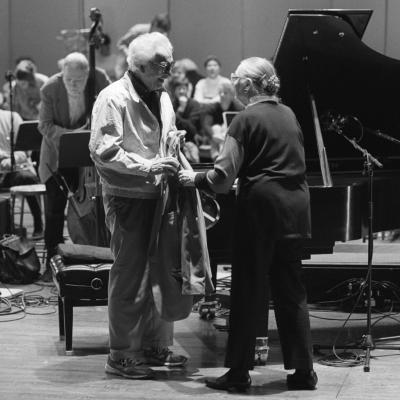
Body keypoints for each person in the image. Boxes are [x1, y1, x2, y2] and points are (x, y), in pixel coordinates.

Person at [179, 57, 317, 392]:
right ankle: (303, 372)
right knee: (290, 289)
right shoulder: (289, 114)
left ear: (247, 84)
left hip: (261, 212)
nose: (231, 80)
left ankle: (239, 374)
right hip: (296, 210)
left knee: (247, 291)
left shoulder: (244, 119)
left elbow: (222, 178)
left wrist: (192, 177)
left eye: (235, 76)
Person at [89, 32, 188, 379]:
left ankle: (155, 345)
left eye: (170, 63)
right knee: (130, 275)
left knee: (160, 272)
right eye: (163, 66)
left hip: (157, 195)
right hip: (127, 196)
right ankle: (121, 354)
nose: (170, 70)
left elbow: (162, 136)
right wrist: (147, 165)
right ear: (140, 66)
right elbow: (104, 151)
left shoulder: (161, 94)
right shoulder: (112, 97)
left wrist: (172, 142)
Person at [38, 52, 111, 281]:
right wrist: (73, 137)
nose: (72, 85)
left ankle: (97, 256)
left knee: (97, 205)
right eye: (68, 80)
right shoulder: (50, 88)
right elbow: (44, 126)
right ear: (62, 74)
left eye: (78, 81)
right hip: (56, 157)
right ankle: (51, 264)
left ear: (87, 75)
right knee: (54, 212)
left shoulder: (100, 79)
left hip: (88, 158)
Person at [0, 104, 43, 239]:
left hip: (14, 171)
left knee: (27, 178)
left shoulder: (12, 117)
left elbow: (25, 149)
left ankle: (38, 225)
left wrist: (12, 159)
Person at [115, 13, 171, 79]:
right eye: (160, 32)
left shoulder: (161, 36)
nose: (161, 35)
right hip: (125, 67)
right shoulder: (138, 30)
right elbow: (121, 43)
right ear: (155, 24)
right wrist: (129, 55)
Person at [201, 80, 244, 160]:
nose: (222, 95)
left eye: (225, 93)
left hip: (231, 136)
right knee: (216, 128)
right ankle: (220, 156)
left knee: (224, 127)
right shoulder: (213, 107)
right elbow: (206, 124)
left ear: (232, 95)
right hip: (215, 137)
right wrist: (213, 135)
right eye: (220, 92)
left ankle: (217, 156)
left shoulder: (238, 108)